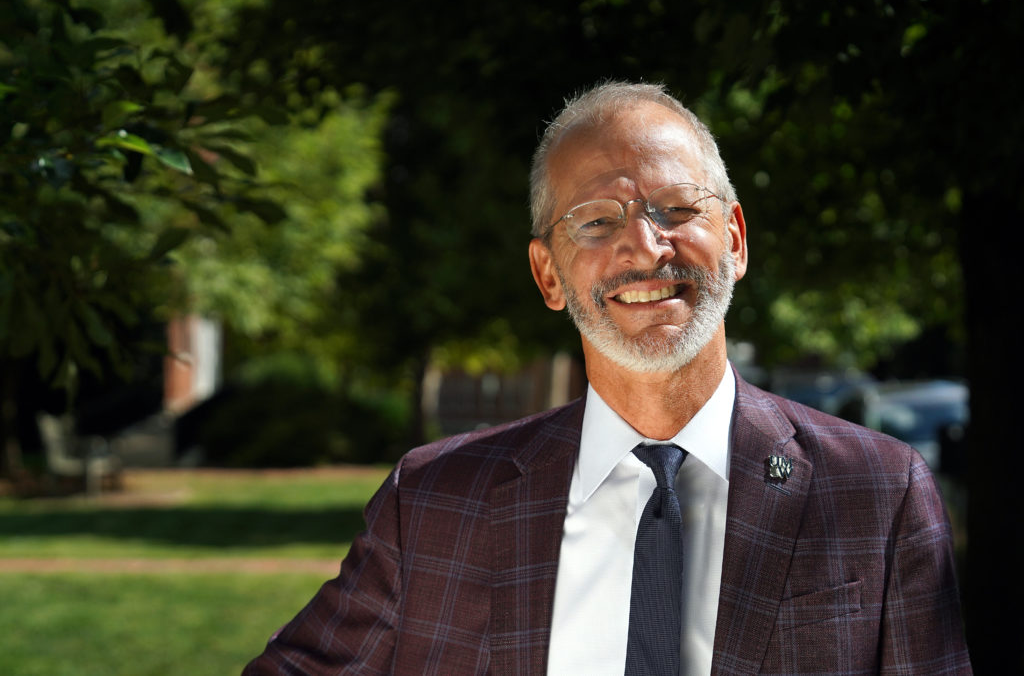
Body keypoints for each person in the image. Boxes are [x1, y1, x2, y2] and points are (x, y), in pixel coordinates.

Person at [243, 81, 971, 675]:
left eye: (678, 209)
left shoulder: (877, 492)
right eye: (595, 221)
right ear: (548, 274)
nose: (646, 246)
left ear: (737, 240)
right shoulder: (434, 502)